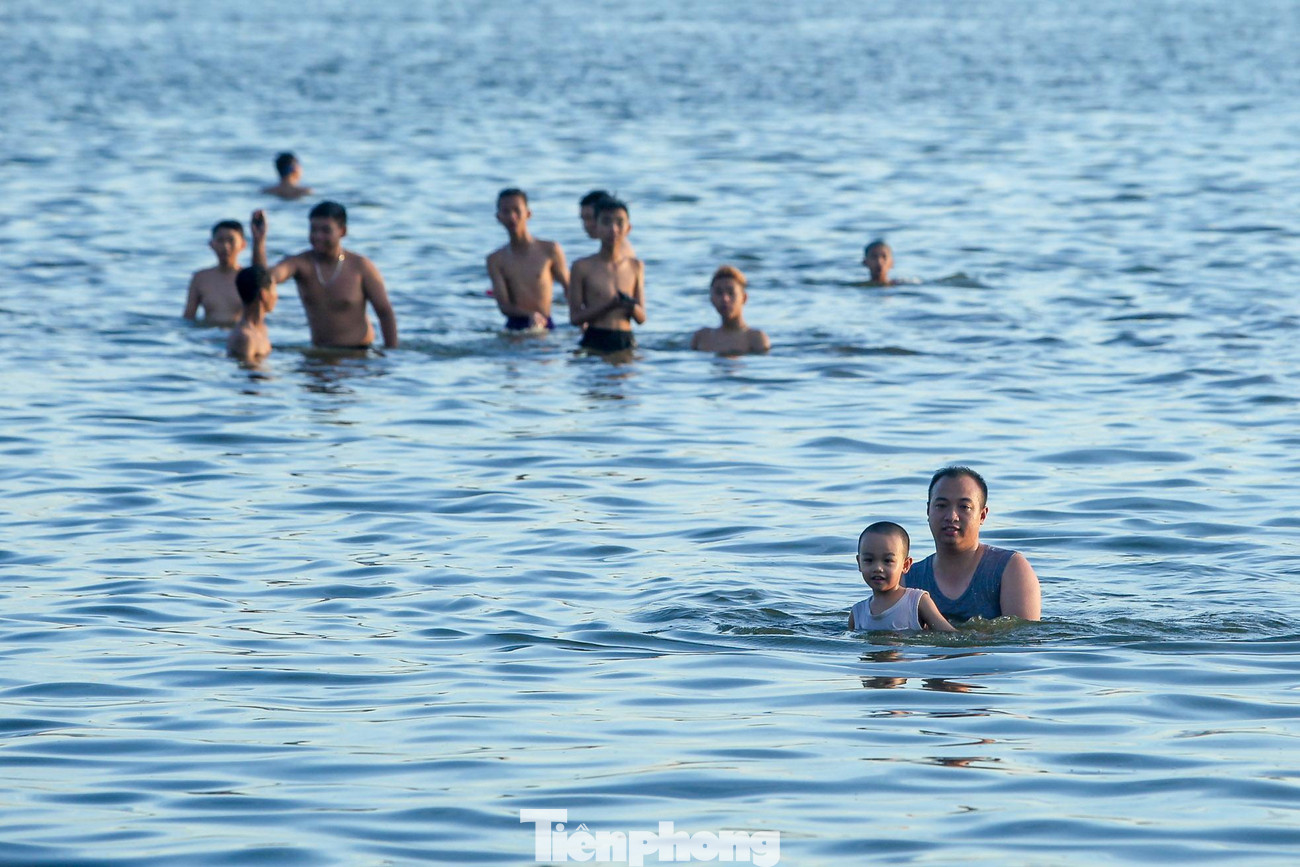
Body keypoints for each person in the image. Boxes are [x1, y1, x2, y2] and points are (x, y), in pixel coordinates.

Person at [252, 202, 399, 350]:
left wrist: (391, 353)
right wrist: (259, 242)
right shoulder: (300, 264)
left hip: (359, 355)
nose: (318, 236)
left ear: (342, 231)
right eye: (313, 230)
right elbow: (263, 279)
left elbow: (385, 312)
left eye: (325, 230)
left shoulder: (360, 266)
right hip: (319, 355)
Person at [905, 466, 1042, 622]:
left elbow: (1024, 635)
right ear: (928, 511)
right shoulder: (908, 579)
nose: (951, 516)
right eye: (941, 505)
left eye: (964, 507)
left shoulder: (1010, 569)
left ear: (982, 515)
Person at [568, 196, 645, 353]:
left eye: (619, 222)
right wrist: (608, 305)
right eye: (606, 222)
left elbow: (641, 318)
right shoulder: (581, 267)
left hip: (625, 339)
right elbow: (575, 318)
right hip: (595, 338)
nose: (613, 229)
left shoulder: (635, 266)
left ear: (628, 228)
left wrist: (630, 306)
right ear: (596, 227)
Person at [486, 189, 569, 331]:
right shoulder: (496, 260)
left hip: (545, 324)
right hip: (515, 326)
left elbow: (570, 289)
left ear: (528, 214)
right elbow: (504, 305)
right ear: (499, 217)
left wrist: (582, 319)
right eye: (506, 211)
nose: (512, 217)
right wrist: (530, 314)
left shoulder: (550, 250)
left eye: (517, 211)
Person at [848, 521, 954, 632]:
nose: (878, 568)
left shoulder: (916, 602)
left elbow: (949, 634)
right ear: (859, 563)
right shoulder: (857, 614)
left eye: (887, 561)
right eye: (869, 560)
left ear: (905, 565)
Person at [690, 265, 770, 355]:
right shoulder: (702, 338)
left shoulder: (755, 339)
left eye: (731, 293)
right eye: (719, 293)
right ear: (711, 299)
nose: (725, 299)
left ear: (744, 298)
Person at [182, 220, 246, 325]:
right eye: (220, 240)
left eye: (231, 240)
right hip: (208, 332)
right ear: (211, 244)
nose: (225, 246)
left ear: (243, 244)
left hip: (238, 332)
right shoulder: (201, 278)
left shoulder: (248, 278)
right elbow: (188, 318)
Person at [226, 265, 277, 364]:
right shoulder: (246, 338)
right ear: (263, 294)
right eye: (274, 290)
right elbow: (247, 371)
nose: (276, 296)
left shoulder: (261, 329)